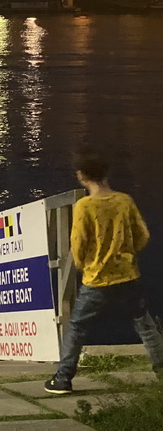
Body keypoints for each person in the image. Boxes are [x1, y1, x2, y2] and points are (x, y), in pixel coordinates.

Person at [45, 152, 163, 394]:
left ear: (81, 176)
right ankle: (161, 371)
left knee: (77, 328)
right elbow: (143, 235)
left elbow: (78, 243)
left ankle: (63, 378)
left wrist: (83, 265)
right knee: (145, 325)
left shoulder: (84, 206)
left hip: (96, 278)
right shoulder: (124, 201)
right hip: (128, 275)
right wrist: (127, 254)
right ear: (106, 173)